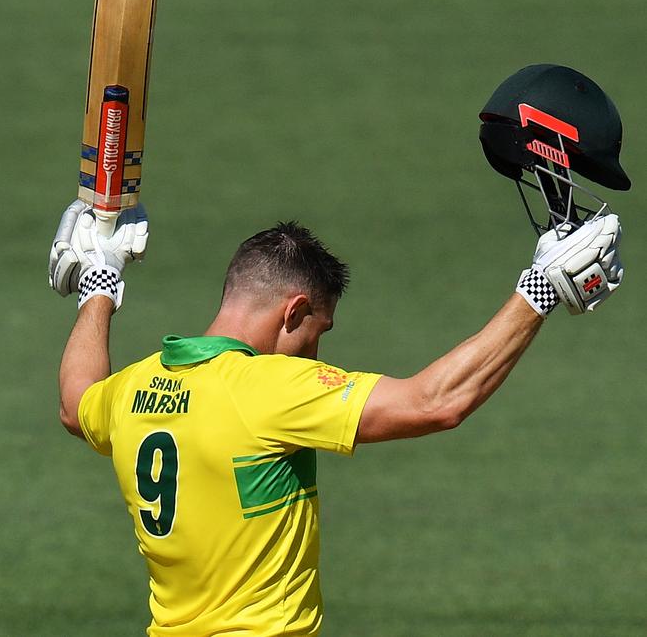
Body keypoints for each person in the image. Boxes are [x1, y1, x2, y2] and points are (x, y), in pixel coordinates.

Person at [50, 202, 622, 636]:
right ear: (293, 310)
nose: (314, 353)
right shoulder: (267, 390)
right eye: (317, 332)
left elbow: (76, 405)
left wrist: (99, 283)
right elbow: (435, 403)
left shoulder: (133, 389)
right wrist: (539, 291)